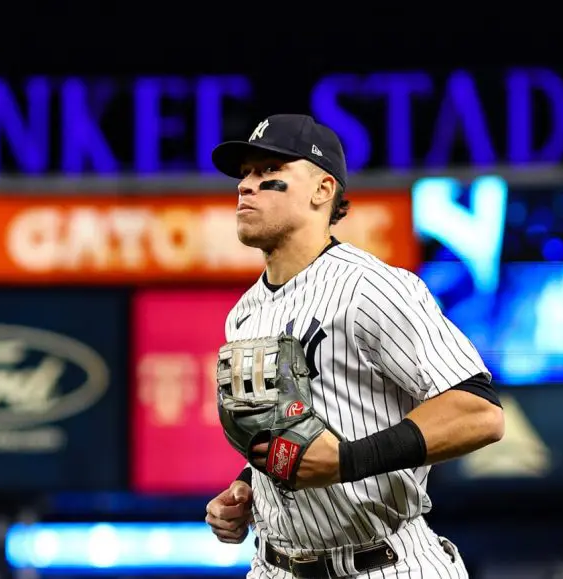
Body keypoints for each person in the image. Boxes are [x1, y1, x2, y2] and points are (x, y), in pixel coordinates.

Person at [205, 114, 505, 578]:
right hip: (275, 564)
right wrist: (248, 487)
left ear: (322, 189)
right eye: (245, 173)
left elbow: (479, 413)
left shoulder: (371, 288)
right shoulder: (244, 313)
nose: (246, 185)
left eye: (270, 171)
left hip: (384, 563)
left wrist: (346, 462)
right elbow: (287, 432)